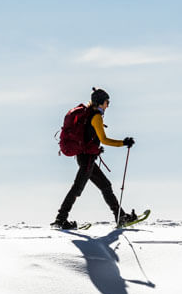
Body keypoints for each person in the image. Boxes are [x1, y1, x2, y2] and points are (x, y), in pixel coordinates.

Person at [53, 88, 138, 229]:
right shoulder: (96, 116)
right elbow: (103, 139)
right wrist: (123, 142)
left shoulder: (90, 114)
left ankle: (121, 217)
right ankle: (60, 219)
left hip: (85, 157)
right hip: (87, 159)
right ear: (100, 102)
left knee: (105, 186)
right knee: (77, 188)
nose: (108, 105)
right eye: (107, 102)